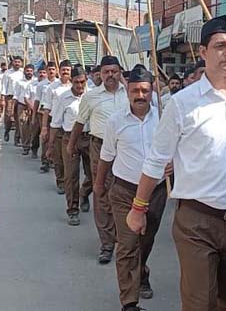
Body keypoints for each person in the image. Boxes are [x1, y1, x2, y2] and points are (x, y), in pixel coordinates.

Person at [127, 15, 226, 310]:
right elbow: (155, 160)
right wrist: (138, 208)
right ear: (202, 52)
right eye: (220, 46)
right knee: (200, 302)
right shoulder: (183, 103)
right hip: (197, 222)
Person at [96, 67, 169, 311]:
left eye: (145, 90)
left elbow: (178, 149)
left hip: (156, 192)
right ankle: (129, 302)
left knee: (145, 242)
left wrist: (173, 165)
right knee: (127, 245)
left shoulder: (164, 118)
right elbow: (106, 156)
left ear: (152, 91)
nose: (140, 95)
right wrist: (99, 184)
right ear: (127, 91)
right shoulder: (115, 121)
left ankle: (142, 271)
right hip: (125, 191)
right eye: (135, 90)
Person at [68, 55, 128, 264]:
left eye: (114, 71)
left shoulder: (130, 93)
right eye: (106, 72)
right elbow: (79, 122)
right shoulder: (91, 96)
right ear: (100, 74)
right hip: (100, 147)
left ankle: (123, 237)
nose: (110, 75)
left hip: (126, 149)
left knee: (122, 193)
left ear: (120, 72)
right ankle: (106, 244)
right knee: (101, 191)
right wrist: (70, 145)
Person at [49, 66, 92, 225]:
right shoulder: (63, 98)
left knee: (94, 174)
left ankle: (84, 193)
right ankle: (73, 209)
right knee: (71, 175)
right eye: (76, 82)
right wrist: (51, 145)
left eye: (82, 82)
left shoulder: (92, 95)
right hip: (69, 139)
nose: (80, 86)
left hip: (89, 138)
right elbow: (55, 123)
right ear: (71, 82)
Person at [43, 60, 72, 192]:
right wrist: (44, 127)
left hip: (72, 126)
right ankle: (61, 181)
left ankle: (70, 182)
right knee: (58, 156)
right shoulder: (52, 88)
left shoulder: (77, 86)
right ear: (59, 71)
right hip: (56, 125)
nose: (65, 72)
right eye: (63, 69)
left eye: (68, 69)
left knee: (70, 158)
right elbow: (47, 108)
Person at [33, 62, 56, 169]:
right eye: (49, 69)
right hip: (43, 112)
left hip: (56, 113)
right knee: (45, 136)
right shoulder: (41, 85)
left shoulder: (60, 84)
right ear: (46, 71)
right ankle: (45, 160)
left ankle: (53, 159)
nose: (51, 71)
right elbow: (37, 101)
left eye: (53, 69)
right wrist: (34, 115)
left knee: (55, 137)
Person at [24, 65, 47, 157]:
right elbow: (26, 97)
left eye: (44, 72)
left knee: (46, 134)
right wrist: (31, 107)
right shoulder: (32, 84)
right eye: (40, 72)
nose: (42, 74)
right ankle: (33, 149)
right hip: (35, 110)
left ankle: (46, 156)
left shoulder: (50, 85)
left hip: (46, 112)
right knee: (35, 132)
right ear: (37, 73)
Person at [13, 65, 35, 148]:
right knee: (23, 125)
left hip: (33, 107)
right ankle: (25, 144)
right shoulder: (19, 82)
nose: (29, 72)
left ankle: (31, 143)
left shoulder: (35, 82)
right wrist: (13, 107)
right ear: (24, 71)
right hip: (22, 105)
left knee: (32, 126)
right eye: (27, 71)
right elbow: (16, 95)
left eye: (31, 71)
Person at [3, 57, 24, 142]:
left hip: (20, 97)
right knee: (9, 116)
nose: (17, 63)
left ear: (21, 63)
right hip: (10, 97)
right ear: (12, 63)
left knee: (19, 118)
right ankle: (7, 131)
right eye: (15, 62)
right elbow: (4, 86)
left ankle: (17, 138)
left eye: (19, 62)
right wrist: (2, 98)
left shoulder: (23, 73)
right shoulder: (8, 73)